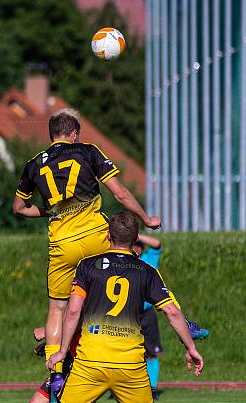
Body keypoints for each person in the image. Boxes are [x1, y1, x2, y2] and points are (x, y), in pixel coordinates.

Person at [39, 212, 203, 403]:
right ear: (135, 239)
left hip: (91, 361)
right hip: (129, 362)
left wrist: (62, 351)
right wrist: (190, 347)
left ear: (107, 236)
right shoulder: (146, 271)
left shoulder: (87, 266)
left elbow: (73, 311)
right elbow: (172, 312)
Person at [12, 108, 161, 380]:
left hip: (62, 244)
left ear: (51, 135)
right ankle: (177, 316)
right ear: (74, 134)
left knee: (58, 308)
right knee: (134, 274)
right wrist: (146, 218)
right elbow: (120, 193)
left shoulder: (34, 164)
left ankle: (55, 372)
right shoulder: (88, 151)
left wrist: (53, 209)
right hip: (97, 236)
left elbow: (19, 208)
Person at [131, 235, 209, 398]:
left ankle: (150, 389)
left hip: (145, 314)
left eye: (139, 244)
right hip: (128, 314)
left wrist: (133, 233)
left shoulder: (147, 259)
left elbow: (157, 243)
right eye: (134, 244)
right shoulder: (125, 261)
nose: (137, 247)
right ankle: (124, 388)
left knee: (150, 353)